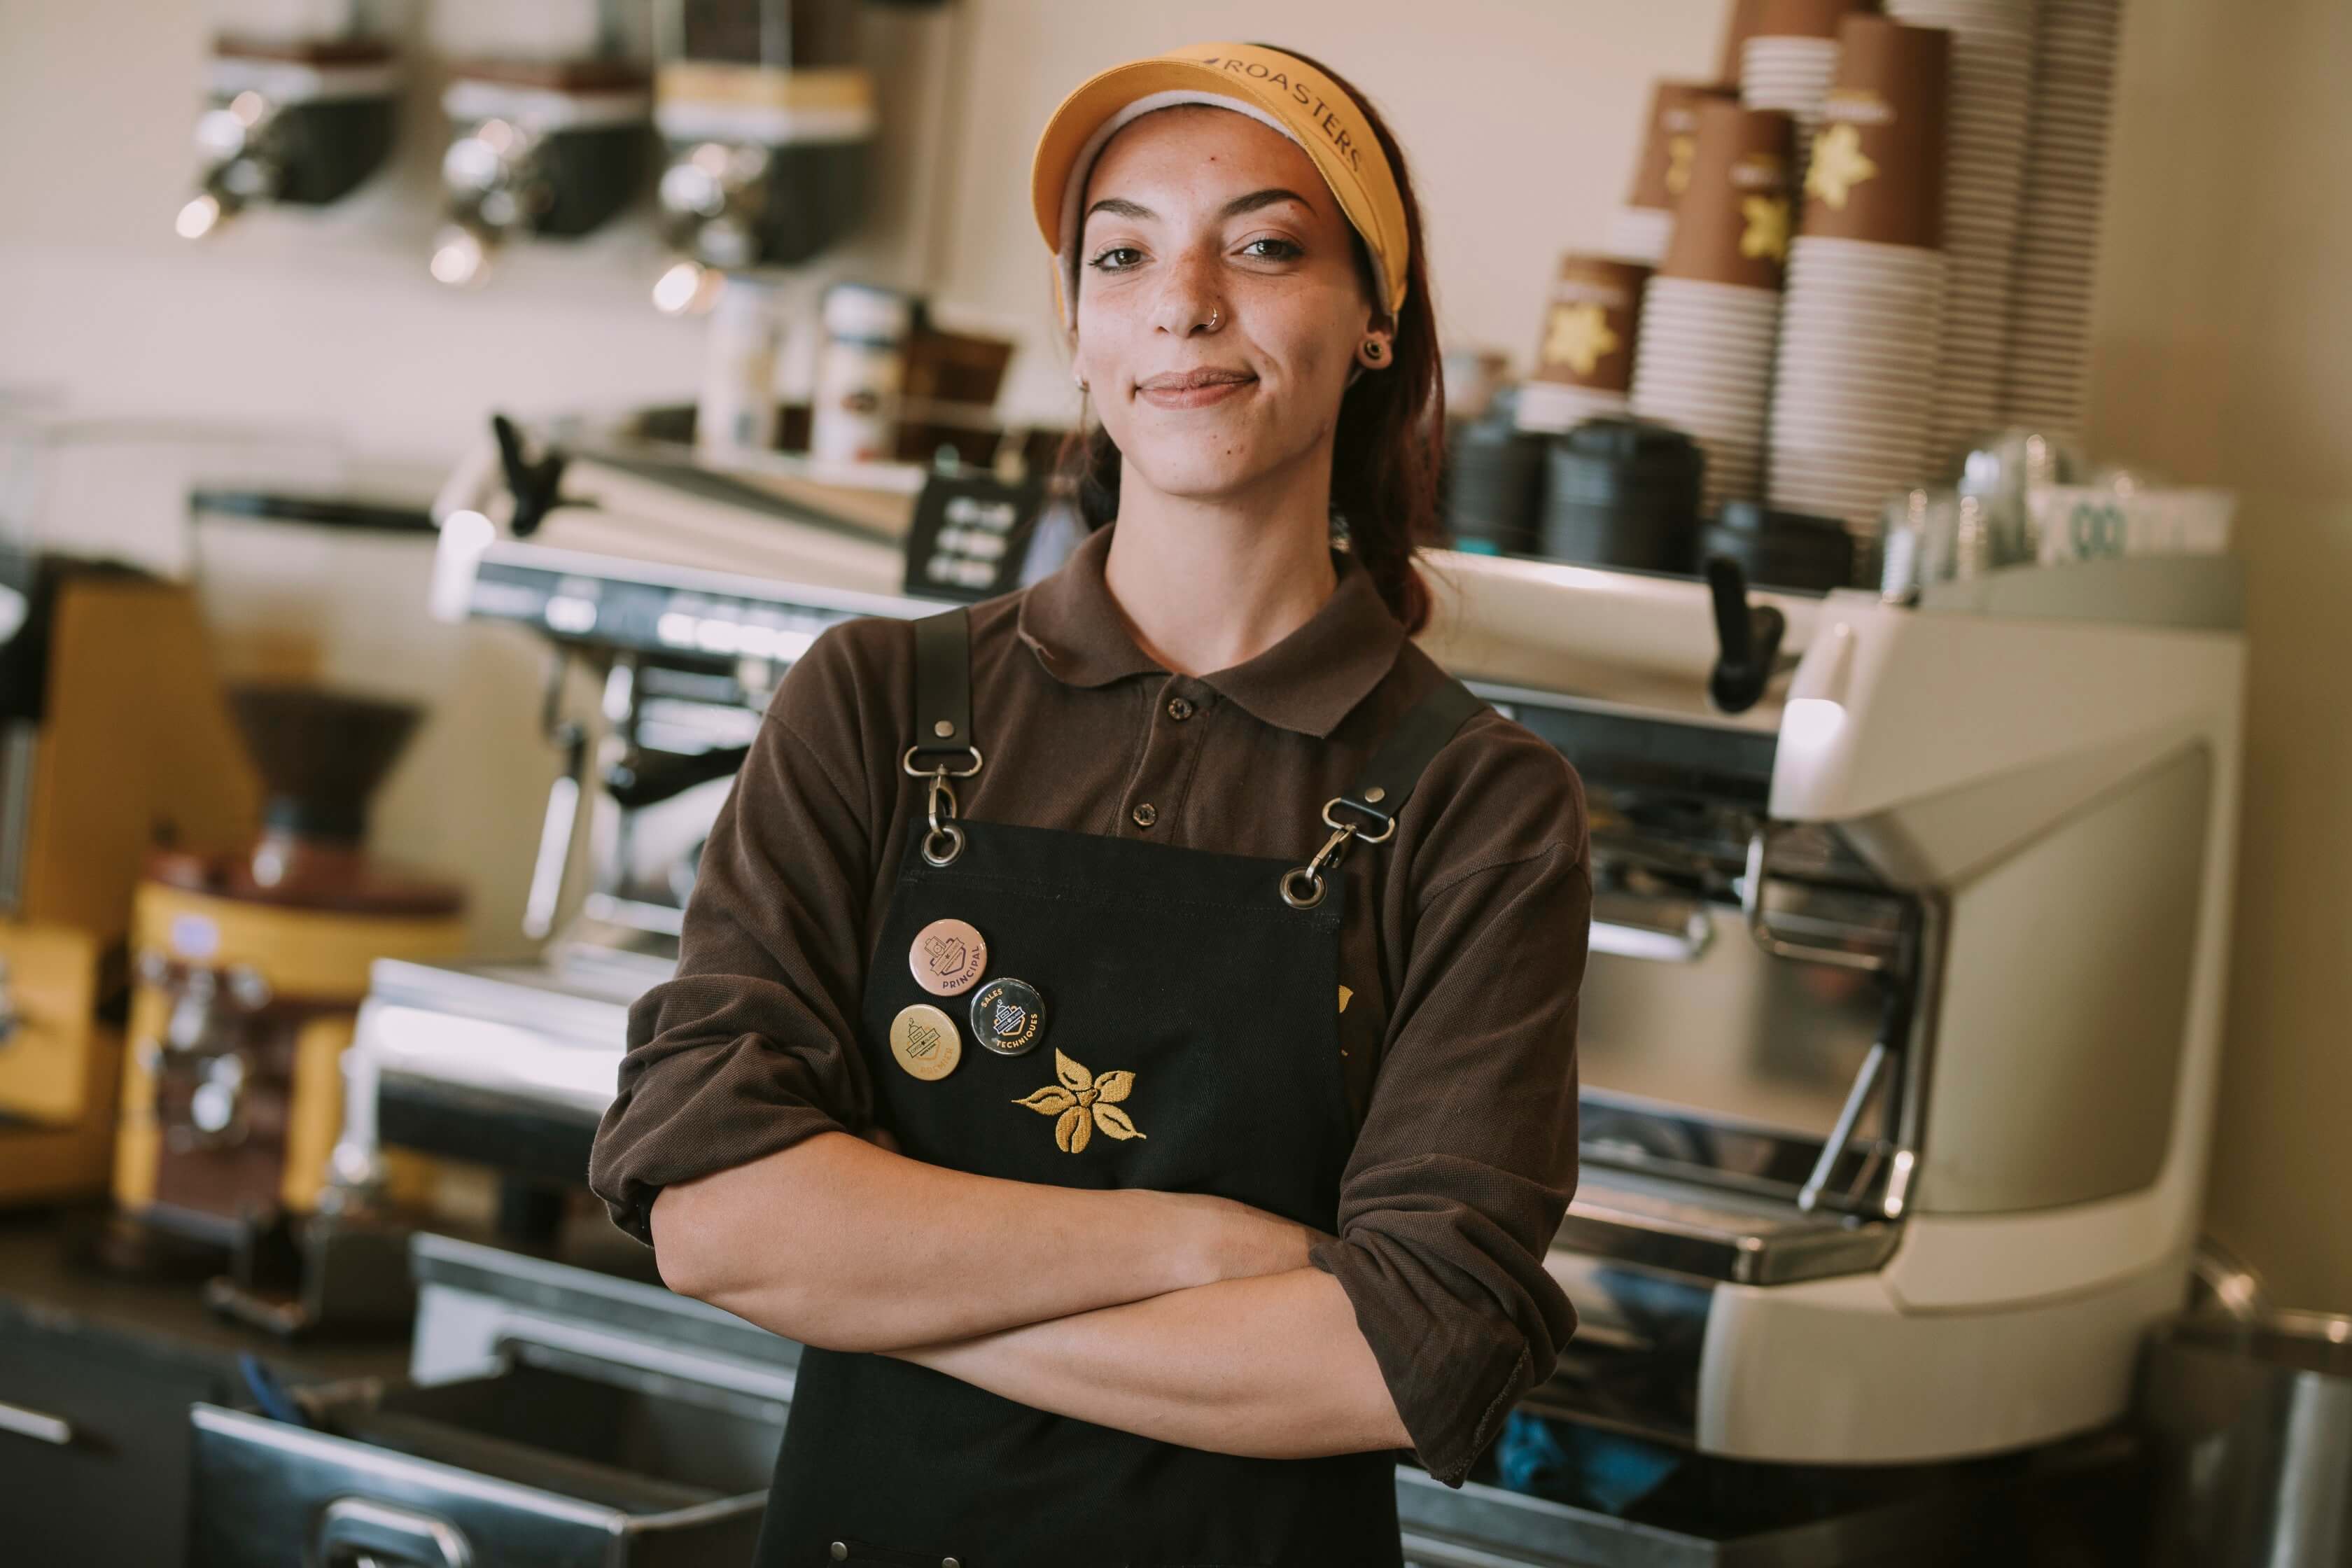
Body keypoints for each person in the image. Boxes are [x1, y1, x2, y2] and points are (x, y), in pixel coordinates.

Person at [587, 39, 1591, 1568]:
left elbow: (1407, 1350)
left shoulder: (1479, 803)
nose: (1186, 300)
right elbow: (714, 1209)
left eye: (1264, 246)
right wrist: (1196, 1249)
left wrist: (884, 1291)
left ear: (1375, 322)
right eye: (1123, 254)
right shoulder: (875, 702)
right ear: (1077, 326)